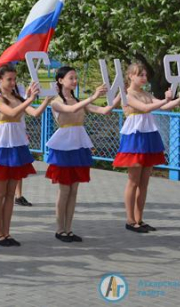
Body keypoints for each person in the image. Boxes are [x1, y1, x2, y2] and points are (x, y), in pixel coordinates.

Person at [46, 67, 118, 242]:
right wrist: (92, 97)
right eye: (71, 78)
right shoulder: (56, 101)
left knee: (74, 190)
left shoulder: (78, 101)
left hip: (79, 145)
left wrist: (119, 95)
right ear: (61, 80)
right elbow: (69, 110)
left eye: (75, 78)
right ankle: (59, 229)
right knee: (64, 190)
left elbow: (104, 111)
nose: (74, 81)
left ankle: (69, 229)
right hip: (64, 146)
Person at [114, 62, 180, 233]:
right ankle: (130, 220)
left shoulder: (146, 93)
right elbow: (146, 108)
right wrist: (165, 100)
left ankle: (140, 219)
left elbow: (163, 106)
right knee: (133, 181)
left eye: (145, 75)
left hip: (149, 135)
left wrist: (178, 99)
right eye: (141, 75)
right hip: (134, 137)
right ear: (131, 76)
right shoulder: (126, 94)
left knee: (144, 182)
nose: (144, 78)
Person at [0, 64, 51, 247]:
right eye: (9, 79)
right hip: (2, 146)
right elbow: (13, 113)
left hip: (17, 144)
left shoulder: (17, 97)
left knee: (10, 192)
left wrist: (45, 99)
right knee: (0, 193)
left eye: (14, 79)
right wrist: (29, 98)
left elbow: (35, 113)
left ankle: (7, 232)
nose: (13, 82)